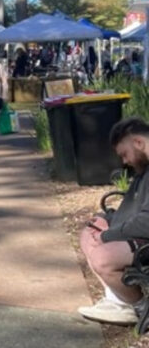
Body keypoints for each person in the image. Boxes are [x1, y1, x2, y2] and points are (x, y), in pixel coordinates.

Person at [77, 118, 149, 324]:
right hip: (141, 234)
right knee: (88, 235)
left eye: (124, 154)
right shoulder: (143, 173)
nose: (125, 162)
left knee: (102, 256)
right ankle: (117, 300)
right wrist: (104, 219)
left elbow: (146, 222)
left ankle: (138, 306)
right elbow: (133, 210)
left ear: (138, 143)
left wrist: (107, 235)